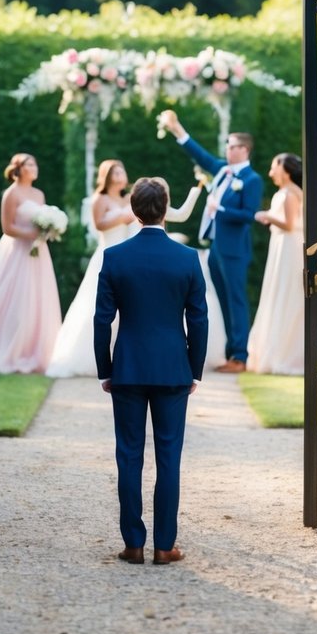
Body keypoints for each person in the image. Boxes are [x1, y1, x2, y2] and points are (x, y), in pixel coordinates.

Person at [94, 177, 208, 566]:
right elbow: (199, 321)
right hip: (174, 369)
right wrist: (194, 370)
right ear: (166, 207)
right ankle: (164, 546)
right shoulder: (187, 258)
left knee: (128, 456)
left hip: (127, 368)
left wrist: (104, 369)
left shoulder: (116, 258)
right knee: (168, 458)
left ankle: (133, 545)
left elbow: (101, 321)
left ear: (134, 208)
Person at [47, 160, 220, 378]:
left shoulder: (133, 198)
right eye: (115, 172)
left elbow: (176, 214)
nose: (120, 175)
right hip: (108, 254)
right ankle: (97, 358)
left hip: (129, 257)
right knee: (99, 310)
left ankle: (125, 357)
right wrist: (124, 215)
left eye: (122, 171)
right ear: (106, 176)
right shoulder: (101, 199)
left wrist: (196, 191)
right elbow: (99, 224)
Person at [157, 109, 262, 373]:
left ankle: (241, 356)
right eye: (228, 145)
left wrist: (219, 209)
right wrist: (176, 129)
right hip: (216, 247)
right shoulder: (223, 171)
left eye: (236, 146)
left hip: (235, 249)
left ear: (246, 150)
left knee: (237, 300)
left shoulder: (252, 179)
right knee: (224, 300)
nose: (230, 150)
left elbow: (249, 215)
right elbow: (199, 154)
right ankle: (231, 354)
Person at [0, 153, 63, 373]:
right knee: (16, 299)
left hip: (38, 251)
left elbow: (40, 220)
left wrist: (47, 231)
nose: (34, 167)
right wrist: (30, 233)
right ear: (19, 169)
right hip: (15, 251)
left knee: (38, 299)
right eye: (29, 164)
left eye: (35, 163)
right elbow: (7, 227)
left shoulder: (39, 194)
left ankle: (36, 350)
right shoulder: (11, 194)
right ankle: (8, 348)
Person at [247, 153, 304, 375]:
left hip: (289, 247)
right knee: (279, 293)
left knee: (285, 294)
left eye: (274, 167)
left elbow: (289, 225)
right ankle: (277, 350)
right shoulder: (285, 192)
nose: (271, 172)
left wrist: (267, 216)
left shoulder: (290, 193)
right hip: (283, 245)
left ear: (284, 169)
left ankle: (284, 354)